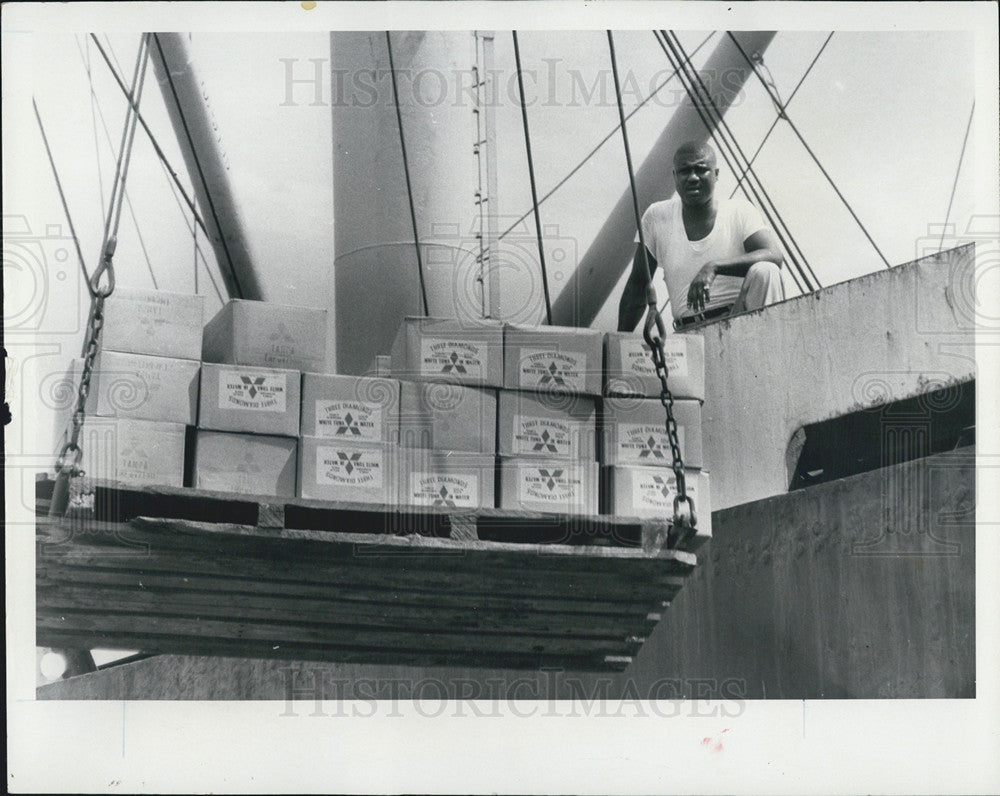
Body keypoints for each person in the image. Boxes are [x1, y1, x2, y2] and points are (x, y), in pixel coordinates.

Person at [618, 141, 785, 332]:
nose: (693, 177)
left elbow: (774, 255)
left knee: (766, 271)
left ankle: (768, 353)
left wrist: (714, 267)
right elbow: (638, 285)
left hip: (739, 325)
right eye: (684, 171)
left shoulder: (740, 211)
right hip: (688, 333)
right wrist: (616, 343)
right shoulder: (657, 217)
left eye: (701, 169)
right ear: (675, 176)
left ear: (716, 174)